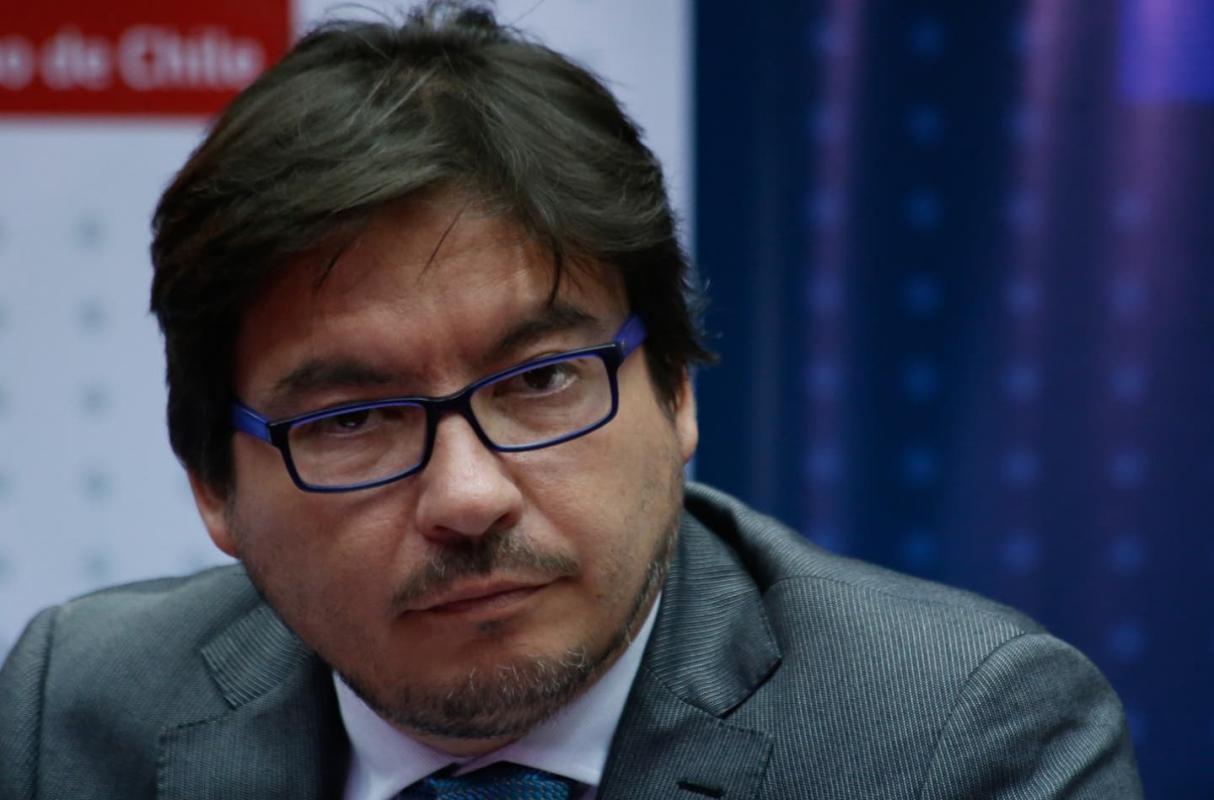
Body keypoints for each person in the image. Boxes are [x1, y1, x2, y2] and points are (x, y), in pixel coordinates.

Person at [0, 3, 1142, 798]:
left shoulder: (960, 743)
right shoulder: (78, 711)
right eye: (351, 420)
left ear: (676, 390)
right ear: (212, 485)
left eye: (540, 380)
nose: (467, 496)